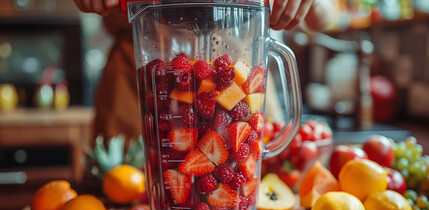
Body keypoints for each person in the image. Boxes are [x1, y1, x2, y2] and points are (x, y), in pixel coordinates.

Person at [73, 0, 334, 144]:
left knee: (245, 182)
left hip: (238, 84)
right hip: (145, 87)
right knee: (124, 187)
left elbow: (324, 14)